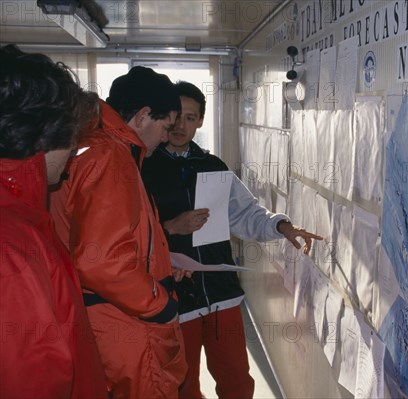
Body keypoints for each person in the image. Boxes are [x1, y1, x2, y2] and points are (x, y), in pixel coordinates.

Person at [142, 81, 323, 399]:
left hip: (221, 296)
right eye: (177, 116)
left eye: (191, 117)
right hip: (172, 298)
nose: (181, 125)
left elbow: (246, 214)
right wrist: (169, 226)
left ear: (200, 121)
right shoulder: (144, 168)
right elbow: (131, 232)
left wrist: (282, 227)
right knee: (182, 385)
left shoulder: (213, 166)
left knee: (237, 380)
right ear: (166, 117)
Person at [49, 66, 187, 399]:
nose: (168, 137)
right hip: (126, 324)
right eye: (166, 126)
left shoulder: (86, 146)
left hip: (101, 316)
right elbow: (102, 261)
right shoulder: (111, 155)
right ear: (142, 116)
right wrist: (160, 305)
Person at [0, 44, 107, 398]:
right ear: (44, 135)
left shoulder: (22, 217)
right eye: (72, 140)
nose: (73, 153)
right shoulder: (12, 245)